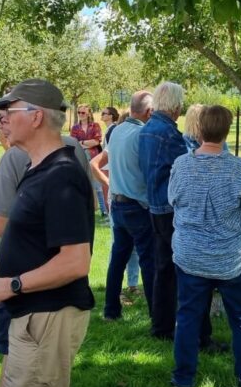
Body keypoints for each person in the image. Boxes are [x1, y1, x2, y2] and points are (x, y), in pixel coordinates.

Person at [0, 79, 95, 387]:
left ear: (36, 117)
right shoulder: (37, 169)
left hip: (48, 314)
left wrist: (12, 282)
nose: (3, 120)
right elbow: (45, 242)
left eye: (10, 111)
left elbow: (76, 261)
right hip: (33, 312)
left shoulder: (61, 176)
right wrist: (2, 266)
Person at [168, 105, 241, 387]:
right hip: (232, 258)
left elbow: (172, 200)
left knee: (187, 320)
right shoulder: (238, 168)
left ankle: (182, 386)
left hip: (191, 257)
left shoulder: (181, 166)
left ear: (198, 130)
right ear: (226, 131)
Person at [140, 81, 215, 346]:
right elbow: (188, 166)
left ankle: (161, 325)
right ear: (174, 106)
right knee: (189, 269)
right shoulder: (168, 134)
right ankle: (198, 333)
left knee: (163, 270)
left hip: (155, 206)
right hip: (171, 209)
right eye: (180, 102)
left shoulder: (148, 129)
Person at [90, 90, 157, 322]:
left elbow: (95, 163)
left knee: (118, 259)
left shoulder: (116, 131)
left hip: (117, 204)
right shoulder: (144, 134)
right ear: (149, 112)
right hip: (138, 206)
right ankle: (157, 315)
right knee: (149, 261)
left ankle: (111, 311)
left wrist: (111, 183)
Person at [100, 105, 139, 298]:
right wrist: (109, 182)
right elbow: (95, 164)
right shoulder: (117, 136)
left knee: (123, 251)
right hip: (127, 201)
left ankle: (128, 288)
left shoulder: (117, 136)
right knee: (124, 251)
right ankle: (118, 293)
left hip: (118, 200)